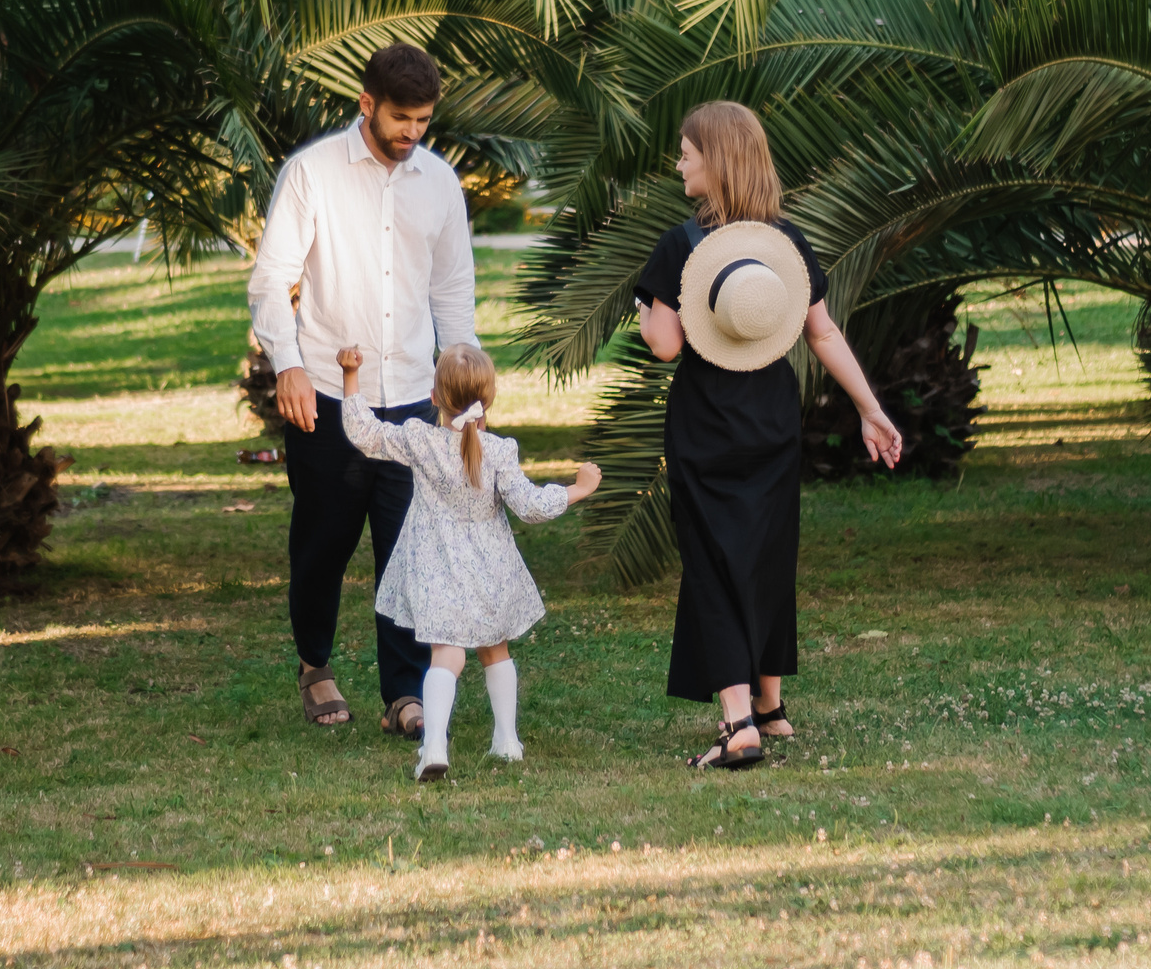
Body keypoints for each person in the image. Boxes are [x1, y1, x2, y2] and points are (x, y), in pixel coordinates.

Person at [633, 101, 903, 771]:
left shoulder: (680, 245)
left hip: (706, 425)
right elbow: (824, 332)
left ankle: (738, 723)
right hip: (774, 419)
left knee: (714, 567)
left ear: (714, 160)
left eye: (686, 153)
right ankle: (773, 706)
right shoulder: (786, 243)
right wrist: (871, 408)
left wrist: (645, 308)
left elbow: (665, 345)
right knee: (765, 558)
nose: (679, 163)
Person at [247, 43, 478, 738]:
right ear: (366, 104)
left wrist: (462, 389)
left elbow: (453, 291)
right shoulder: (311, 174)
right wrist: (286, 361)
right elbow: (271, 277)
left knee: (406, 542)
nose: (413, 132)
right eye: (401, 118)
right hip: (325, 393)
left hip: (410, 395)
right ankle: (315, 664)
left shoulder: (439, 183)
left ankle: (403, 692)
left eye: (424, 120)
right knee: (323, 540)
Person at [337, 343, 603, 781]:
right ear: (489, 400)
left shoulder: (419, 440)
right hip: (490, 567)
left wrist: (351, 375)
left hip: (435, 565)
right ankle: (506, 740)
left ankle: (435, 745)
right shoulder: (500, 451)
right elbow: (531, 506)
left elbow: (365, 433)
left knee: (447, 653)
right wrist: (577, 489)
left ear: (434, 397)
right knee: (494, 647)